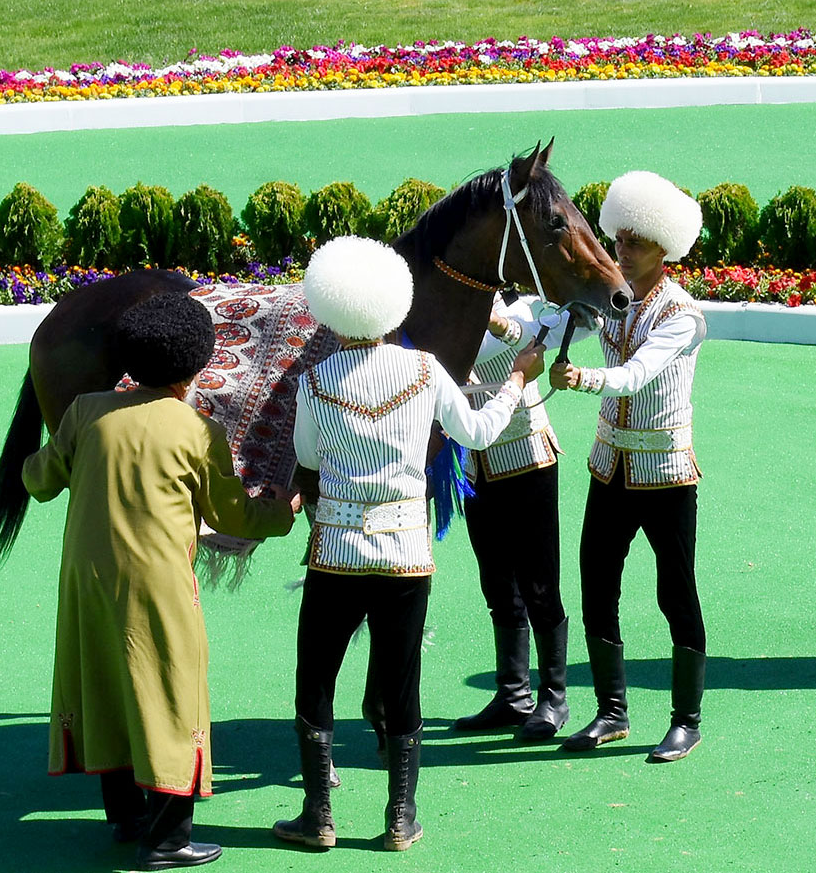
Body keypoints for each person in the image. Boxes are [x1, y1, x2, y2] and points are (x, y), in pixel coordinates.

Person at [274, 235, 544, 852]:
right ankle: (401, 816)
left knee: (315, 680)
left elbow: (308, 458)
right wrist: (517, 381)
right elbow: (475, 433)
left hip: (335, 555)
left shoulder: (315, 380)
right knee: (402, 683)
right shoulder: (425, 370)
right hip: (405, 554)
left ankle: (317, 816)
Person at [22, 291, 299, 871]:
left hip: (84, 581)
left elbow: (40, 482)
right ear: (197, 364)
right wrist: (282, 510)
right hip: (157, 584)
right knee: (170, 689)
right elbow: (232, 517)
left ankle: (125, 817)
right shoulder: (197, 430)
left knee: (102, 680)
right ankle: (168, 838)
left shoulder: (84, 412)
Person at [549, 170, 708, 763]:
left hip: (666, 474)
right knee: (596, 584)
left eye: (636, 243)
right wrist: (505, 325)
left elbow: (637, 372)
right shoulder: (614, 295)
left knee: (676, 593)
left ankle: (686, 720)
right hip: (608, 468)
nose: (623, 251)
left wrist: (582, 377)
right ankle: (612, 712)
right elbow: (554, 317)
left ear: (666, 250)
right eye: (619, 239)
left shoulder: (683, 316)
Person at [454, 292, 597, 741]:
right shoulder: (447, 303)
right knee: (496, 581)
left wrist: (499, 323)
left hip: (528, 458)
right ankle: (513, 693)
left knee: (539, 583)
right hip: (477, 464)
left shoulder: (528, 303)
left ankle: (554, 696)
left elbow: (558, 329)